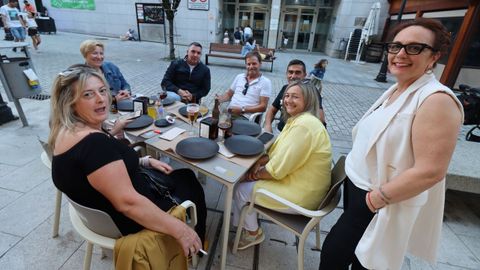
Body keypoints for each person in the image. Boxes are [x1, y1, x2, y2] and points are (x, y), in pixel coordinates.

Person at [320, 18, 464, 270]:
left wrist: (373, 201)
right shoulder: (398, 89)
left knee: (346, 259)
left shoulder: (436, 100)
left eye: (414, 48)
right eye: (395, 46)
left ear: (434, 57)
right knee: (344, 256)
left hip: (377, 200)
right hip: (358, 193)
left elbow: (431, 170)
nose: (400, 54)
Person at [48, 65, 207, 257]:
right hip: (130, 219)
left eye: (102, 90)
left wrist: (144, 162)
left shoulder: (63, 131)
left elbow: (100, 166)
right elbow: (128, 203)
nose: (101, 99)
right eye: (88, 95)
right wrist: (182, 231)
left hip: (104, 213)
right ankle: (196, 243)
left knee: (178, 175)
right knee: (189, 179)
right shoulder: (94, 144)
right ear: (70, 103)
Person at [232, 80, 332, 250]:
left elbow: (275, 171)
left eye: (295, 97)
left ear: (307, 100)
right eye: (286, 96)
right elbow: (277, 153)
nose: (288, 100)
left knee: (240, 188)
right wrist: (259, 162)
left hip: (302, 195)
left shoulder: (304, 126)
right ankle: (242, 219)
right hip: (304, 184)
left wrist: (253, 174)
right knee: (245, 178)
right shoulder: (299, 120)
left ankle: (252, 233)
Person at [264, 59, 326, 133]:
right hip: (280, 131)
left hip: (299, 134)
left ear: (304, 75)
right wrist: (267, 126)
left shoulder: (311, 92)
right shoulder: (285, 88)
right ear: (286, 74)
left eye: (297, 73)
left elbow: (320, 119)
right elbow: (272, 110)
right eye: (290, 72)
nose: (293, 76)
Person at [216, 51, 271, 119]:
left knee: (223, 125)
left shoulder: (265, 82)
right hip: (229, 113)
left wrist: (242, 110)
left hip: (246, 117)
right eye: (248, 64)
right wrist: (220, 99)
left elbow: (263, 107)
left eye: (254, 64)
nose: (251, 67)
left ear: (260, 64)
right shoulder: (239, 77)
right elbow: (229, 95)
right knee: (211, 122)